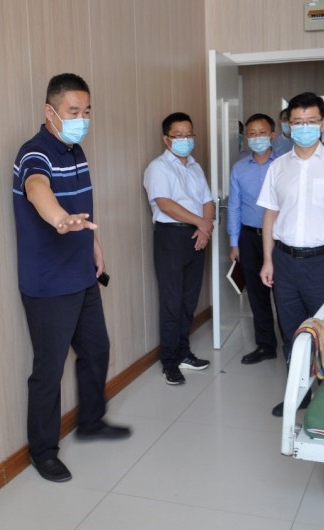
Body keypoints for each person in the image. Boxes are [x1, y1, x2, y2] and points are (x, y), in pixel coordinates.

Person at [12, 73, 131, 483]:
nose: (82, 119)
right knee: (48, 370)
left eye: (86, 111)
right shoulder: (34, 152)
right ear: (50, 111)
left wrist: (94, 245)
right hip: (48, 285)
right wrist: (60, 219)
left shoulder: (76, 151)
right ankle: (43, 451)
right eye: (73, 111)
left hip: (81, 276)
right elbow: (37, 189)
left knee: (96, 349)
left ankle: (92, 421)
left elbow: (84, 208)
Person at [257, 92, 324, 417]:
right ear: (288, 125)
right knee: (291, 331)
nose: (304, 128)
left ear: (322, 123)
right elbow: (270, 216)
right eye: (298, 122)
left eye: (311, 121)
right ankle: (299, 395)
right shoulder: (278, 167)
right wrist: (268, 259)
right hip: (284, 261)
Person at [143, 112, 215, 385]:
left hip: (196, 235)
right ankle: (169, 362)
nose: (185, 140)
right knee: (172, 303)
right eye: (178, 136)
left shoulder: (195, 167)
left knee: (189, 300)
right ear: (166, 139)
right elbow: (165, 204)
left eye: (189, 135)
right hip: (171, 238)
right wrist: (202, 223)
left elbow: (207, 200)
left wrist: (204, 227)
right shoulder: (158, 168)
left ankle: (184, 353)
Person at [227, 113, 281, 364]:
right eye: (252, 133)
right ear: (246, 137)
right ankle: (266, 345)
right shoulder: (239, 168)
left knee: (283, 294)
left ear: (272, 135)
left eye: (262, 132)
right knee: (257, 296)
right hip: (249, 238)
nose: (257, 137)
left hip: (280, 239)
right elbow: (234, 207)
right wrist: (234, 242)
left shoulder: (284, 164)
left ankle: (293, 348)